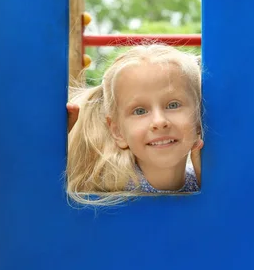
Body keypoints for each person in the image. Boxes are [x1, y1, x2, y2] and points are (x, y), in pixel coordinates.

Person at [66, 45, 203, 206]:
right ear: (118, 132)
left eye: (173, 105)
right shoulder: (106, 189)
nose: (159, 122)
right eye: (140, 111)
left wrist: (209, 182)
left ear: (199, 116)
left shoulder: (204, 181)